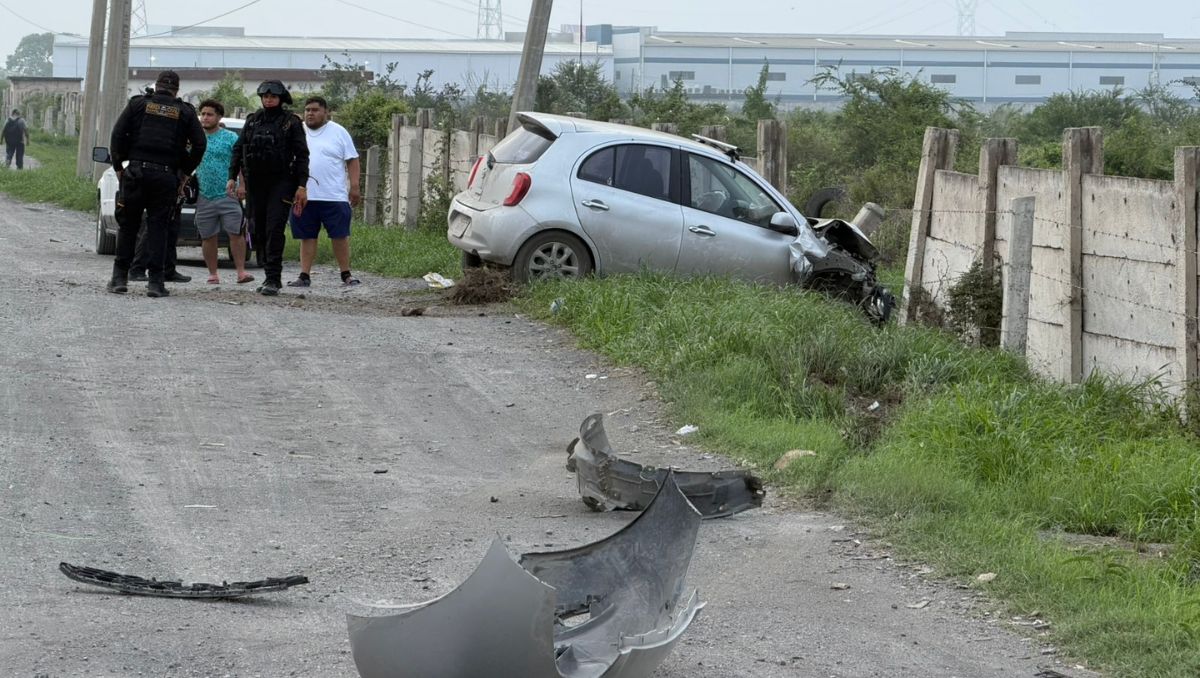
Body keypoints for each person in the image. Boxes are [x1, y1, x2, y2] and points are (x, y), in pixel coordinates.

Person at [106, 70, 206, 297]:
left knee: (129, 227)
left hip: (136, 174)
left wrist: (119, 167)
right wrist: (184, 173)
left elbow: (117, 135)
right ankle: (156, 283)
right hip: (165, 177)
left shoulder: (138, 105)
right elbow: (199, 145)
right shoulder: (185, 112)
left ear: (157, 85)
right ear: (176, 90)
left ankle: (120, 279)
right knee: (158, 228)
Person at [228, 79, 308, 296]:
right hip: (256, 183)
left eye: (273, 96)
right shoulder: (253, 121)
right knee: (258, 230)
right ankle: (267, 274)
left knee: (274, 229)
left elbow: (302, 155)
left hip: (281, 183)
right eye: (265, 96)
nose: (269, 99)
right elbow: (238, 149)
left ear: (280, 98)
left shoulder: (290, 122)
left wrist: (302, 185)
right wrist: (232, 176)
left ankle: (274, 278)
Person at [287, 96, 361, 288]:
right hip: (304, 196)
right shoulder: (297, 131)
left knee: (339, 235)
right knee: (307, 236)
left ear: (326, 112)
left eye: (315, 110)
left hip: (334, 195)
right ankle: (304, 275)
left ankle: (346, 274)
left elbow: (352, 159)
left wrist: (354, 186)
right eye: (307, 110)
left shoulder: (339, 132)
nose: (310, 113)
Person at [191, 99, 254, 286]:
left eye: (209, 114)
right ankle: (213, 274)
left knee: (236, 233)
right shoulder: (195, 139)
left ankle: (241, 272)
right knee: (208, 236)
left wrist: (242, 185)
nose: (205, 117)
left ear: (218, 117)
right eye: (202, 114)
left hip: (228, 193)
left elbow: (241, 164)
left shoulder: (230, 138)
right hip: (204, 194)